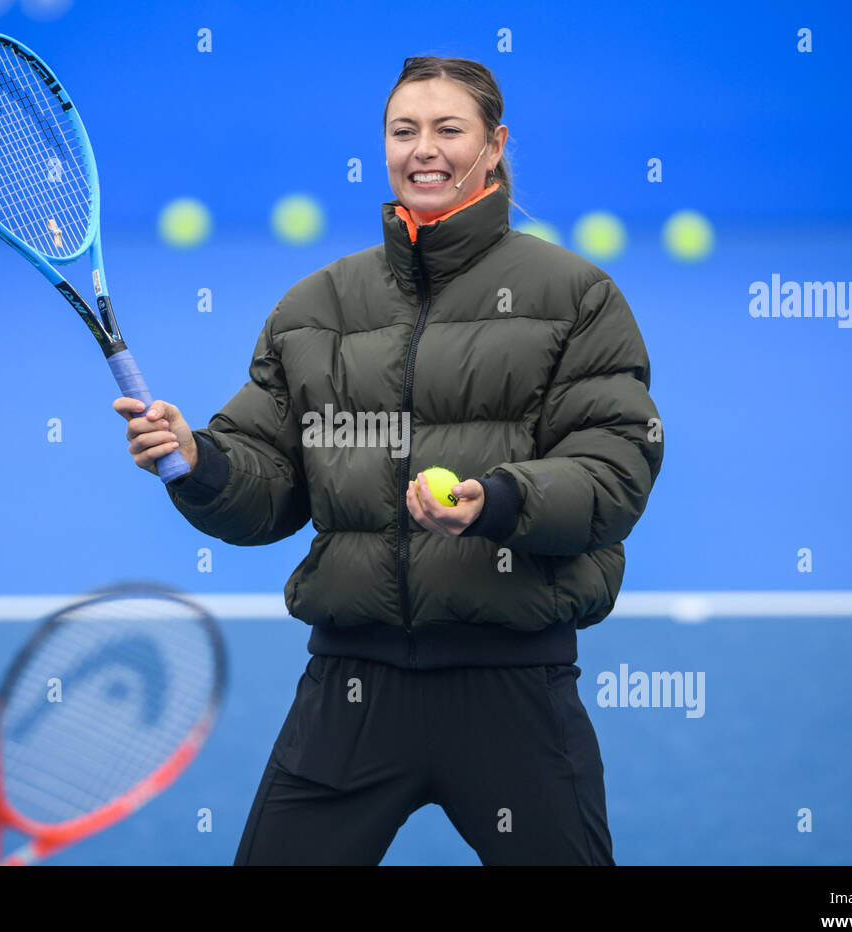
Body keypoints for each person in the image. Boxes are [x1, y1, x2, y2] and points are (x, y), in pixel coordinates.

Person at [114, 56, 663, 865]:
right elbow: (269, 488)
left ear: (495, 144)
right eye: (404, 131)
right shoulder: (314, 309)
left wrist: (500, 501)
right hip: (352, 687)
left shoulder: (576, 296)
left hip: (511, 687)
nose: (424, 150)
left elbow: (615, 469)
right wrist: (200, 459)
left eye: (449, 129)